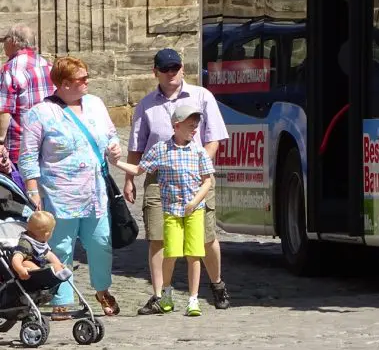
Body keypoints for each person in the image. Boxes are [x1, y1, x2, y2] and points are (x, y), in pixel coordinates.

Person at [126, 48, 231, 313]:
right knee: (158, 237)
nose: (171, 73)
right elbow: (137, 146)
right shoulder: (146, 104)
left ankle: (217, 284)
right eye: (165, 70)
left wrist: (198, 166)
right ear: (156, 72)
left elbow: (213, 138)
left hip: (196, 176)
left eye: (175, 68)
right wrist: (129, 179)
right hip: (158, 175)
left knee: (205, 237)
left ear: (182, 68)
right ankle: (161, 296)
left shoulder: (202, 96)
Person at [18, 55, 122, 319]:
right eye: (81, 79)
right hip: (59, 193)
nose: (87, 82)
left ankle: (102, 288)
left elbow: (110, 133)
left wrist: (114, 145)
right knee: (61, 248)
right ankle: (60, 298)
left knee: (100, 243)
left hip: (95, 192)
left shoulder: (95, 104)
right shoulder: (40, 113)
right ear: (64, 83)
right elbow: (28, 156)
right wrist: (32, 190)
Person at [110, 105, 214, 317]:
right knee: (172, 253)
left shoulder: (198, 151)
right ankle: (166, 294)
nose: (194, 129)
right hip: (172, 210)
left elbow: (207, 181)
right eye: (190, 125)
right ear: (176, 125)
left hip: (194, 210)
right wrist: (117, 163)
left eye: (196, 126)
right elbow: (140, 169)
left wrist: (195, 201)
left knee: (195, 254)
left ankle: (193, 299)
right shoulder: (160, 149)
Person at [0, 24, 54, 192]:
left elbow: (4, 109)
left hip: (20, 143)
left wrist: (0, 140)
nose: (3, 45)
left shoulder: (10, 68)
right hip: (48, 139)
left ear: (14, 41)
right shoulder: (47, 64)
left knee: (23, 192)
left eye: (5, 40)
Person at [9, 210, 72, 294]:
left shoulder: (41, 242)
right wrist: (20, 270)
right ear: (47, 234)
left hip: (41, 267)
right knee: (26, 263)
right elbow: (16, 258)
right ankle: (43, 274)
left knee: (55, 265)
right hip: (27, 274)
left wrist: (59, 264)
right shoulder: (25, 243)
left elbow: (49, 254)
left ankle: (59, 273)